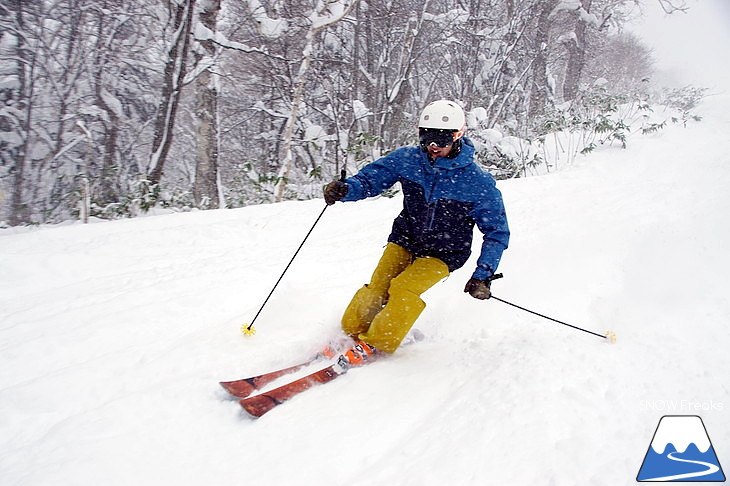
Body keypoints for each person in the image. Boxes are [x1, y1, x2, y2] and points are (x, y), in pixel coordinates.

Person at [324, 100, 510, 367]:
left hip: (445, 252)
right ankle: (348, 334)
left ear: (458, 135)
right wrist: (346, 190)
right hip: (406, 238)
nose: (433, 144)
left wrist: (483, 274)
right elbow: (369, 180)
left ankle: (377, 342)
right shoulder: (408, 159)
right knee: (379, 286)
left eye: (442, 137)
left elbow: (497, 232)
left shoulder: (477, 182)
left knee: (403, 288)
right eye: (427, 135)